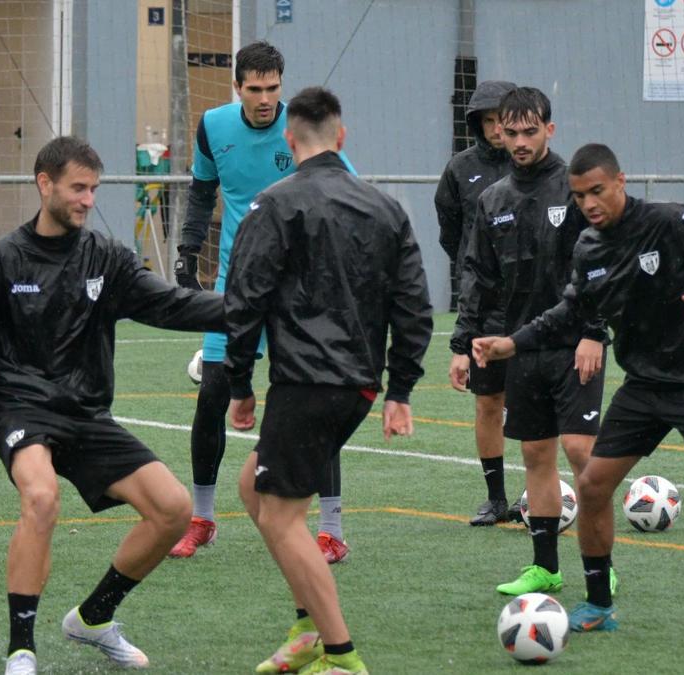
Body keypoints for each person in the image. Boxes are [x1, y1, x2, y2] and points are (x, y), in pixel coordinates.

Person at [0, 136, 226, 674]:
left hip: (86, 414)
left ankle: (93, 618)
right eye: (78, 187)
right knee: (42, 498)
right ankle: (21, 649)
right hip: (21, 409)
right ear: (44, 184)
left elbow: (171, 304)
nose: (88, 199)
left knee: (171, 510)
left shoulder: (107, 258)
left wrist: (246, 311)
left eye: (94, 189)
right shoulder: (1, 261)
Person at [473, 142, 684, 641]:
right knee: (592, 485)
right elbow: (569, 312)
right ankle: (598, 603)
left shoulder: (674, 221)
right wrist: (512, 343)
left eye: (597, 191)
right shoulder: (589, 248)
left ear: (620, 181)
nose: (589, 204)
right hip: (644, 386)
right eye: (578, 196)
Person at [225, 87, 433, 675]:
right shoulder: (387, 208)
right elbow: (413, 307)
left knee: (283, 517)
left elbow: (245, 301)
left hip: (306, 384)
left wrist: (239, 383)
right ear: (342, 138)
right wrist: (400, 390)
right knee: (253, 489)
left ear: (289, 142)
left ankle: (339, 655)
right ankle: (305, 628)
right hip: (357, 388)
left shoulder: (273, 204)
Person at [172, 40, 353, 563]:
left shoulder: (302, 128)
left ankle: (332, 528)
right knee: (211, 397)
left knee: (313, 401)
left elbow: (345, 189)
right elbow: (202, 190)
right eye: (255, 89)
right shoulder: (213, 126)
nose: (265, 99)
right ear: (238, 87)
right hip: (237, 285)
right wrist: (187, 249)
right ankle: (203, 519)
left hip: (301, 290)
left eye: (273, 88)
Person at [449, 87, 609, 596]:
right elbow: (476, 275)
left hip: (572, 345)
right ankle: (545, 567)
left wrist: (593, 332)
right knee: (537, 456)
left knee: (583, 452)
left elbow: (603, 263)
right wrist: (462, 343)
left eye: (528, 131)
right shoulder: (491, 200)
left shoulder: (574, 188)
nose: (517, 140)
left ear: (549, 130)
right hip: (521, 347)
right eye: (509, 131)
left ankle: (601, 564)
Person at [434, 79, 519, 526]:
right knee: (489, 402)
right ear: (477, 123)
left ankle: (546, 494)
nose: (496, 129)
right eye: (487, 120)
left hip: (533, 305)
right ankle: (497, 498)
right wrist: (474, 266)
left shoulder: (539, 169)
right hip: (485, 306)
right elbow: (451, 232)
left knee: (539, 402)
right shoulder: (459, 170)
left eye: (502, 120)